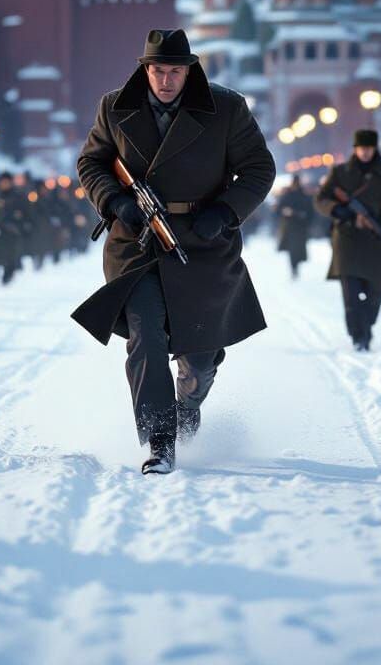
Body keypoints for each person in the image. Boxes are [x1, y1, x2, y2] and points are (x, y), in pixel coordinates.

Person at [74, 28, 275, 475]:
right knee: (146, 337)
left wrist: (225, 212)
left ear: (190, 71)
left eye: (175, 72)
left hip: (203, 244)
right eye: (158, 71)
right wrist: (115, 201)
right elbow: (91, 162)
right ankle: (160, 441)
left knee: (200, 359)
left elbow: (259, 168)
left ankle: (187, 405)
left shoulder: (226, 108)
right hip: (137, 243)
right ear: (145, 70)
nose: (166, 81)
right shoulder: (115, 106)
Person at [313, 130, 381, 351]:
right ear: (355, 149)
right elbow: (321, 199)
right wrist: (338, 210)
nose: (365, 152)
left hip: (377, 240)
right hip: (347, 239)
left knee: (377, 292)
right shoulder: (340, 172)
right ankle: (359, 336)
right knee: (350, 294)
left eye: (369, 148)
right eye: (361, 148)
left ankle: (365, 327)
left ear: (375, 149)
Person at [276, 174, 313, 278]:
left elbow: (310, 212)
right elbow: (279, 209)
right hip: (290, 226)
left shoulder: (304, 196)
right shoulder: (287, 195)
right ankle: (294, 267)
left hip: (300, 227)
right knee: (292, 249)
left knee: (298, 249)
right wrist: (285, 211)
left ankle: (296, 266)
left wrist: (301, 216)